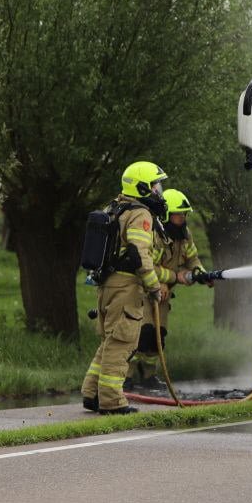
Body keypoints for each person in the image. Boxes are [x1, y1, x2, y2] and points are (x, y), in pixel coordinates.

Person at [81, 162, 168, 415]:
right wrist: (153, 286)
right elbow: (139, 253)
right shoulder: (140, 214)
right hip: (126, 287)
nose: (158, 191)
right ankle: (111, 401)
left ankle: (91, 393)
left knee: (110, 341)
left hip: (108, 285)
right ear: (142, 187)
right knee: (121, 344)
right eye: (155, 186)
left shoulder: (115, 207)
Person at [127, 188, 210, 391]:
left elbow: (193, 258)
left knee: (158, 336)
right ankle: (127, 377)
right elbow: (149, 267)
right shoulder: (155, 235)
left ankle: (148, 376)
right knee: (141, 334)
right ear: (166, 215)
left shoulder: (184, 234)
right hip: (144, 292)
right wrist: (173, 277)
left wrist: (200, 272)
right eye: (178, 214)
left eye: (184, 214)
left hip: (162, 296)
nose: (182, 218)